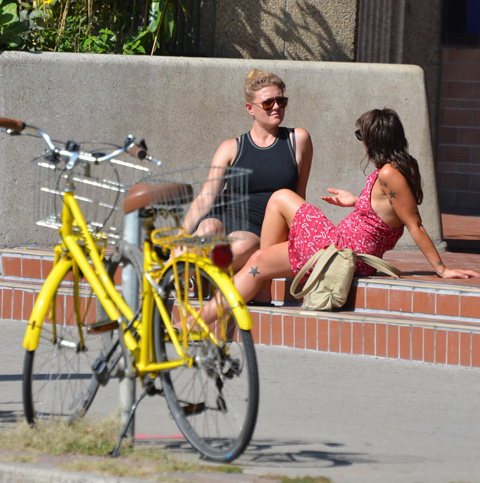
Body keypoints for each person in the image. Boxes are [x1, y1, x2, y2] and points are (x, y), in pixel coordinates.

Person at [212, 107, 479, 311]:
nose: (361, 141)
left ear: (373, 140)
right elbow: (389, 211)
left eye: (361, 135)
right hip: (345, 242)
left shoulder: (389, 173)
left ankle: (208, 316)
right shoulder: (398, 167)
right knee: (280, 201)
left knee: (277, 209)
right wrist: (355, 201)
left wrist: (441, 269)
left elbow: (414, 223)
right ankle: (260, 290)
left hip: (343, 249)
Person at [181, 69, 313, 271]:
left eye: (281, 101)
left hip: (262, 227)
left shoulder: (298, 140)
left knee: (239, 245)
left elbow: (299, 195)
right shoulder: (231, 147)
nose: (276, 107)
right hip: (226, 215)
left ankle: (193, 276)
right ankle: (170, 274)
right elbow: (207, 196)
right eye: (268, 103)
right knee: (207, 230)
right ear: (250, 108)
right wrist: (181, 237)